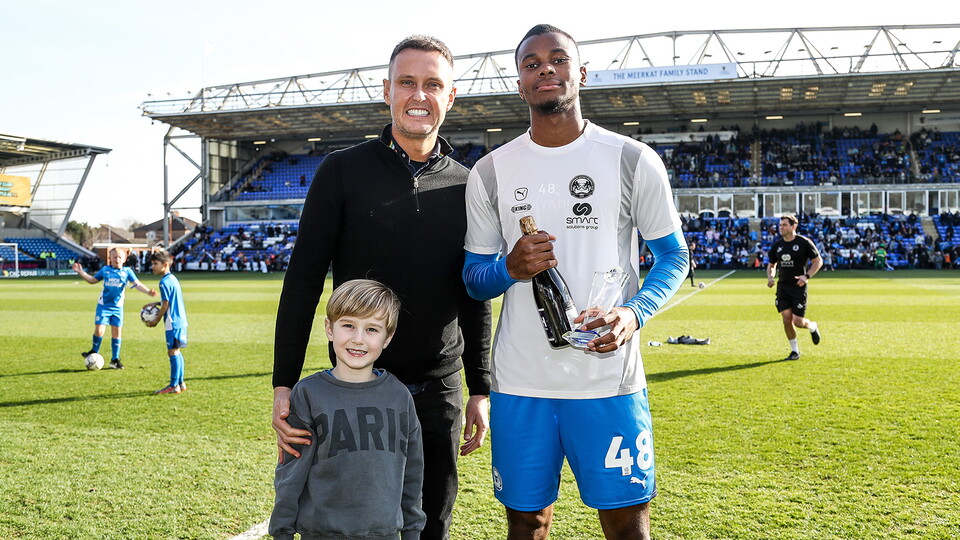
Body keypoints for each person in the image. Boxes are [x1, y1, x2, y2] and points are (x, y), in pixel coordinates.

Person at [462, 24, 689, 540]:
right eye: (531, 63)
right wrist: (510, 268)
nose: (546, 69)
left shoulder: (631, 159)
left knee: (628, 525)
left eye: (558, 59)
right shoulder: (491, 171)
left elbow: (674, 257)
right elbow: (474, 280)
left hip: (608, 381)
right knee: (525, 524)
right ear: (519, 84)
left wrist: (633, 314)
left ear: (580, 74)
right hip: (522, 385)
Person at [272, 35, 491, 540]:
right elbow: (303, 280)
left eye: (433, 84)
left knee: (431, 519)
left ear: (451, 96)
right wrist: (284, 383)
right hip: (356, 389)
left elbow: (474, 291)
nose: (419, 95)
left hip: (438, 390)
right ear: (386, 91)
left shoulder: (469, 184)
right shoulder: (341, 172)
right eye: (407, 82)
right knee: (349, 522)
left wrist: (479, 387)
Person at [270, 279, 425, 540]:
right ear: (330, 329)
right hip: (322, 534)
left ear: (388, 338)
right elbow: (291, 474)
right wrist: (282, 531)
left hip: (385, 534)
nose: (358, 339)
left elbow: (413, 471)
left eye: (372, 329)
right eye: (348, 325)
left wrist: (412, 531)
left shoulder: (399, 396)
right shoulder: (309, 394)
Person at [72, 247, 157, 369]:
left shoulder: (127, 271)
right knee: (99, 330)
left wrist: (148, 292)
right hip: (103, 306)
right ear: (110, 259)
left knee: (116, 334)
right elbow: (92, 280)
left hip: (118, 308)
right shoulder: (105, 270)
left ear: (124, 259)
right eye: (114, 257)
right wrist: (82, 273)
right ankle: (93, 351)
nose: (117, 259)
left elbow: (137, 285)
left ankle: (115, 360)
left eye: (119, 257)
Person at [766, 214, 823, 361]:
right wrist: (771, 277)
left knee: (798, 322)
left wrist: (807, 276)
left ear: (793, 226)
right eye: (780, 225)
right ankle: (794, 351)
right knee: (786, 319)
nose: (781, 227)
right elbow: (772, 264)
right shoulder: (777, 245)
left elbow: (818, 261)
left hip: (798, 287)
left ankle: (812, 326)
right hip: (783, 287)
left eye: (784, 225)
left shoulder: (804, 242)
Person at [143, 250, 189, 394]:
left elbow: (166, 305)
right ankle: (180, 383)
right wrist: (154, 303)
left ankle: (173, 385)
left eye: (155, 264)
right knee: (177, 351)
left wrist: (155, 321)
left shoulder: (163, 282)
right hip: (181, 320)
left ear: (165, 264)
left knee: (172, 352)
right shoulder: (173, 279)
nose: (153, 267)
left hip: (172, 321)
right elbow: (168, 300)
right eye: (152, 264)